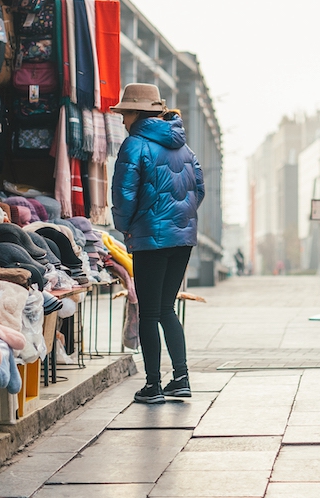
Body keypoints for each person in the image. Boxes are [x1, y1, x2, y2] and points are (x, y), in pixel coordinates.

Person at [111, 83, 204, 405]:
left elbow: (123, 196)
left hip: (150, 238)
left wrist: (126, 228)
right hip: (182, 237)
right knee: (167, 308)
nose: (123, 120)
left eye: (125, 113)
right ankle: (181, 378)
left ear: (137, 113)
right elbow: (199, 190)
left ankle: (153, 385)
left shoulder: (134, 144)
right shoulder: (184, 147)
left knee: (149, 312)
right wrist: (180, 220)